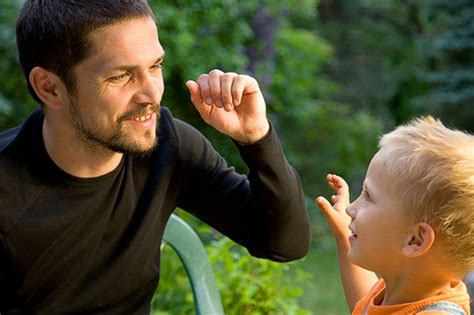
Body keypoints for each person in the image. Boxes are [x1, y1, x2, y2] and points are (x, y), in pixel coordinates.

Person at [0, 0, 310, 313]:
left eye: (155, 66)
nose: (151, 95)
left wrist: (256, 138)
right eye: (121, 76)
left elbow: (284, 243)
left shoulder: (167, 146)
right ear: (50, 88)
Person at [316, 116, 473, 314]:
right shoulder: (398, 293)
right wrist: (343, 236)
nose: (351, 209)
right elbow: (362, 306)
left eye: (369, 196)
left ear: (415, 240)